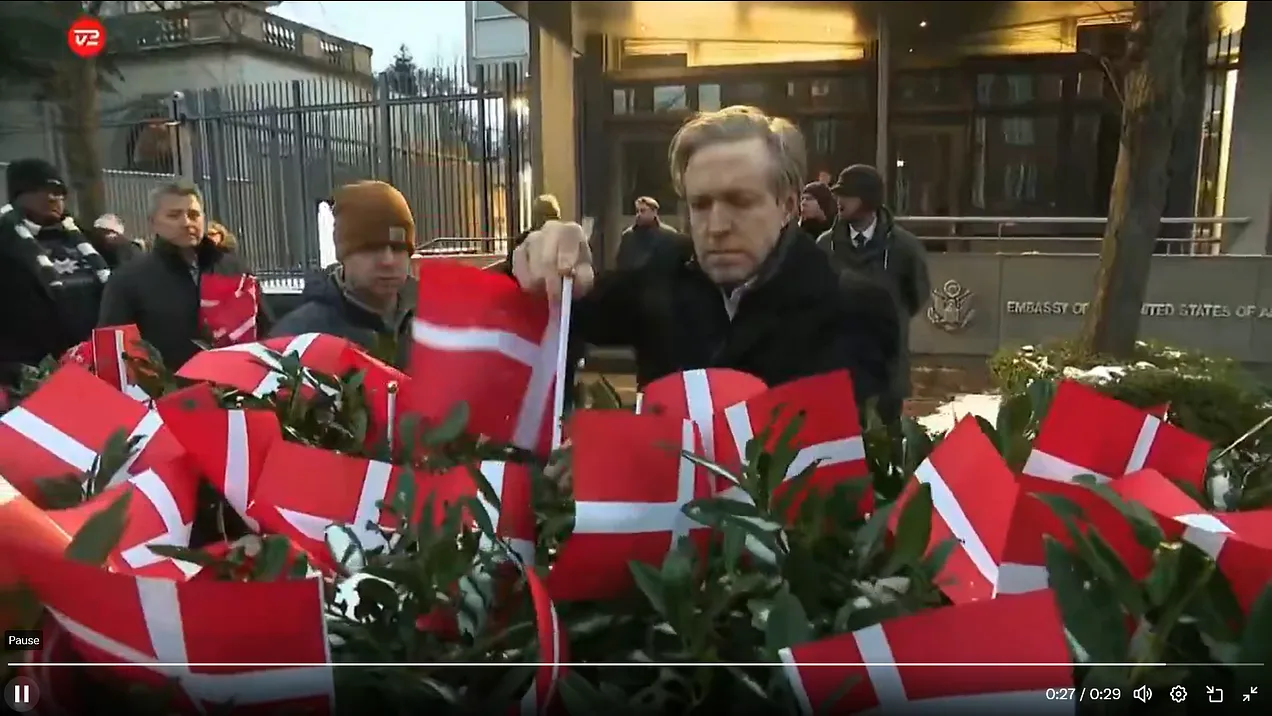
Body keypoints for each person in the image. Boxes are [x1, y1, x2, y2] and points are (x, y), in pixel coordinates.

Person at [509, 105, 899, 407]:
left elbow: (861, 462)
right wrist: (544, 256)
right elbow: (560, 310)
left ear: (787, 206)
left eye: (740, 201)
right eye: (700, 204)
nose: (716, 226)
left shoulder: (854, 307)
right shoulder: (664, 274)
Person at [98, 181, 270, 371]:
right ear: (153, 222)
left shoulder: (234, 268)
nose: (186, 222)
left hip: (236, 386)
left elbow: (265, 329)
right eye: (174, 215)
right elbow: (112, 351)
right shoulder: (128, 279)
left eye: (193, 214)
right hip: (168, 391)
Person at [816, 164, 931, 421]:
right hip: (839, 368)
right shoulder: (825, 245)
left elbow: (917, 295)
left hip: (886, 369)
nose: (839, 200)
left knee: (886, 442)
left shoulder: (904, 247)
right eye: (837, 194)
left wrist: (888, 317)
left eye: (847, 194)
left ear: (868, 200)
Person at [270, 181, 416, 368]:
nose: (388, 261)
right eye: (371, 249)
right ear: (343, 256)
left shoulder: (437, 323)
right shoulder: (298, 338)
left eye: (397, 248)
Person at [0, 159, 110, 390]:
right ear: (17, 196)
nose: (52, 198)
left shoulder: (92, 241)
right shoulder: (6, 243)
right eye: (39, 190)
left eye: (58, 192)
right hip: (28, 374)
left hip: (97, 366)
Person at [615, 196, 683, 271]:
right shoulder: (628, 236)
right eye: (637, 211)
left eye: (643, 211)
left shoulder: (669, 235)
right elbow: (620, 264)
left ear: (654, 212)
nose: (639, 215)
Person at [503, 194, 561, 271]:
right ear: (537, 218)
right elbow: (511, 268)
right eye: (549, 216)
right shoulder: (523, 241)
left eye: (556, 217)